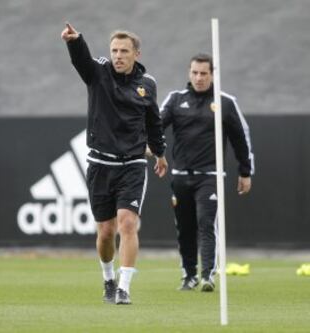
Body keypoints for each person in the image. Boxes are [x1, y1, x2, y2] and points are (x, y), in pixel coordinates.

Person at [61, 23, 168, 304]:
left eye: (124, 51)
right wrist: (75, 41)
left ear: (136, 54)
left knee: (127, 224)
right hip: (100, 164)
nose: (118, 56)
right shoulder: (98, 73)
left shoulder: (147, 84)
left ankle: (124, 287)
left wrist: (159, 153)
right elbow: (81, 61)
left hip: (132, 164)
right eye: (114, 51)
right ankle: (108, 278)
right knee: (106, 232)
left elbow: (153, 122)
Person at [160, 53, 254, 292]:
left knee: (206, 222)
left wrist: (245, 171)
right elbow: (155, 126)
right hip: (180, 175)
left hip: (211, 177)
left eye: (204, 73)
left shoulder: (225, 102)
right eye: (195, 73)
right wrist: (153, 149)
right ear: (189, 73)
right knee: (185, 227)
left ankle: (207, 276)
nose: (199, 78)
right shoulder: (175, 99)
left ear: (212, 75)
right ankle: (188, 275)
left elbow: (240, 138)